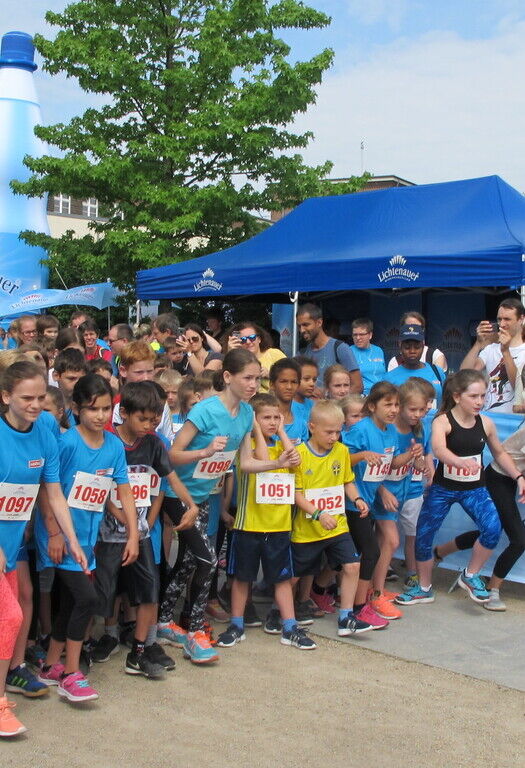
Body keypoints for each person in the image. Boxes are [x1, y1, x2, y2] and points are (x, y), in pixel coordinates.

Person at [158, 348, 298, 664]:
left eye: (257, 379)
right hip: (178, 495)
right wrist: (205, 452)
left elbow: (246, 463)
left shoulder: (247, 414)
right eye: (247, 378)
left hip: (204, 496)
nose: (253, 385)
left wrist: (277, 463)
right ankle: (194, 632)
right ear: (227, 377)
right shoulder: (205, 411)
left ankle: (164, 621)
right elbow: (172, 456)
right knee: (208, 560)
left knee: (190, 562)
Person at [35, 374, 139, 702]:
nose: (100, 415)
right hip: (60, 539)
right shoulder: (66, 444)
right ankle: (70, 672)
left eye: (106, 408)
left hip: (87, 541)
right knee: (87, 599)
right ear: (77, 408)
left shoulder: (113, 446)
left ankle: (50, 666)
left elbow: (124, 490)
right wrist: (54, 533)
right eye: (93, 408)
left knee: (71, 602)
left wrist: (133, 535)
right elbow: (46, 488)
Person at [0, 361, 87, 736]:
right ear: (6, 397)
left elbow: (54, 493)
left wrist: (72, 540)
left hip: (10, 547)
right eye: (26, 398)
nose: (35, 405)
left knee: (9, 617)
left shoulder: (45, 434)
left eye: (40, 397)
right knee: (10, 617)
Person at [94, 382, 199, 679]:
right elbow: (102, 488)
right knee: (106, 592)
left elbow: (171, 479)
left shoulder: (153, 443)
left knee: (150, 591)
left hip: (139, 532)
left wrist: (191, 505)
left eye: (154, 421)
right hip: (107, 533)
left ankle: (139, 651)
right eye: (143, 419)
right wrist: (123, 519)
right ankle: (102, 638)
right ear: (124, 413)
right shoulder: (109, 442)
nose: (148, 426)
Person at [395, 370, 525, 608]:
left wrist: (518, 476)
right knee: (423, 536)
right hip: (443, 489)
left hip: (474, 489)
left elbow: (499, 453)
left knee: (492, 528)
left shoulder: (486, 423)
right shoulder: (442, 421)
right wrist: (458, 462)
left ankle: (470, 574)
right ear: (457, 396)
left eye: (483, 396)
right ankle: (424, 588)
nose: (479, 402)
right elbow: (439, 449)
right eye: (473, 396)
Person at [217, 394, 315, 650]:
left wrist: (281, 432)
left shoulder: (283, 445)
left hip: (278, 526)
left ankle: (290, 626)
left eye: (275, 417)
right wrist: (254, 428)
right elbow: (260, 459)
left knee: (282, 579)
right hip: (249, 525)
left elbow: (296, 460)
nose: (272, 422)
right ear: (253, 420)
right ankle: (236, 624)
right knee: (242, 577)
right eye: (266, 418)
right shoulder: (247, 444)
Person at [290, 400, 374, 637]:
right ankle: (280, 612)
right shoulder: (300, 455)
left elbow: (347, 481)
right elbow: (296, 494)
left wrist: (357, 499)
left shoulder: (342, 451)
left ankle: (346, 617)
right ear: (312, 427)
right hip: (308, 529)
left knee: (352, 564)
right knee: (293, 576)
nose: (334, 437)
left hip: (337, 525)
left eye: (338, 431)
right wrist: (318, 513)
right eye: (329, 432)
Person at [433, 420, 525, 611]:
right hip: (499, 477)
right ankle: (492, 590)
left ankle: (439, 552)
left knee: (493, 531)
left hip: (514, 478)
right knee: (518, 539)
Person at [460, 298, 525, 412]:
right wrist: (478, 344)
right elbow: (464, 375)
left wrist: (505, 352)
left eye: (507, 319)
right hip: (488, 416)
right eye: (499, 319)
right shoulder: (491, 348)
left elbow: (518, 388)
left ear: (521, 319)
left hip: (513, 418)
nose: (502, 324)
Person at [296, 303, 362, 393]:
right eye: (299, 326)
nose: (302, 330)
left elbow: (357, 386)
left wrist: (334, 400)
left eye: (306, 325)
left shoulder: (340, 348)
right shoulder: (301, 354)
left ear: (319, 322)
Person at [385, 324, 446, 407]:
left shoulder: (437, 372)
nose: (412, 351)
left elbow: (445, 402)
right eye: (407, 347)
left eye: (417, 347)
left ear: (423, 345)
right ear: (400, 345)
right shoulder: (389, 378)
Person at [226, 321, 285, 393]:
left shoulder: (273, 353)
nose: (248, 342)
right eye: (243, 339)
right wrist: (231, 353)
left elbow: (292, 375)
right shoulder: (237, 361)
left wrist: (270, 374)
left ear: (259, 339)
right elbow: (226, 381)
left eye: (252, 337)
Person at [269, 358, 308, 445]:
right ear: (272, 384)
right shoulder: (262, 416)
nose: (289, 387)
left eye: (294, 382)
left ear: (298, 385)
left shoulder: (302, 418)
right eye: (283, 381)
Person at [52, 349, 88, 428]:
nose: (77, 383)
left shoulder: (89, 408)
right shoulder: (48, 408)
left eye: (81, 379)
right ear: (56, 376)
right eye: (71, 379)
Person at [350, 318, 386, 394]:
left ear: (370, 335)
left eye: (361, 334)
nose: (358, 338)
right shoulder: (348, 351)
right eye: (355, 335)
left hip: (381, 393)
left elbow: (384, 374)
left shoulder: (378, 350)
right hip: (361, 395)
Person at [293, 355, 318, 421]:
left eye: (314, 380)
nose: (312, 384)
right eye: (306, 379)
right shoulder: (285, 406)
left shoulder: (313, 406)